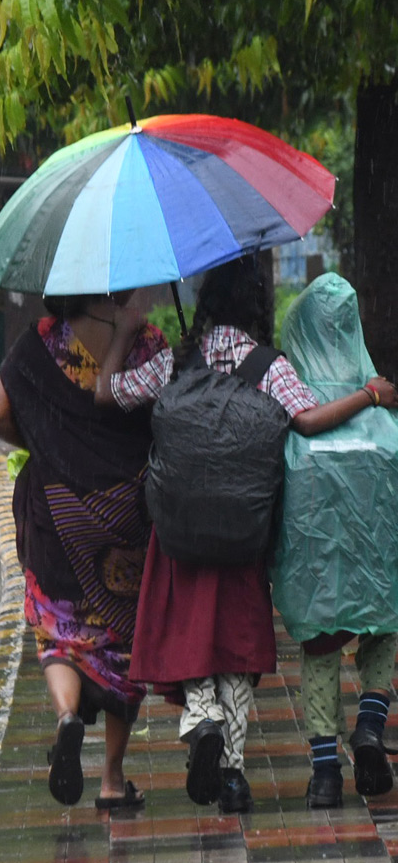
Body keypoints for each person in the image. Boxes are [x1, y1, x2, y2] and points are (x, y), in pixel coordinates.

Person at [96, 255, 398, 814]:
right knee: (235, 646)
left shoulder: (176, 359)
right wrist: (371, 396)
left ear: (208, 301)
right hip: (242, 526)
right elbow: (308, 421)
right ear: (257, 305)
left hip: (181, 528)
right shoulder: (270, 365)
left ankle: (202, 717)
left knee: (187, 635)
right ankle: (232, 774)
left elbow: (107, 394)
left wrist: (124, 331)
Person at [0, 292, 168, 810]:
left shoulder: (40, 343)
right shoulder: (147, 340)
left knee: (58, 631)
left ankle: (67, 717)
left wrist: (45, 443)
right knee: (121, 642)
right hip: (125, 514)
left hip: (55, 514)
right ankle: (112, 779)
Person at [271, 273, 398, 809]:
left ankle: (325, 773)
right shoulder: (380, 402)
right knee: (384, 629)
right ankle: (370, 722)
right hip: (376, 563)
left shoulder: (292, 398)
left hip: (316, 565)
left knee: (321, 650)